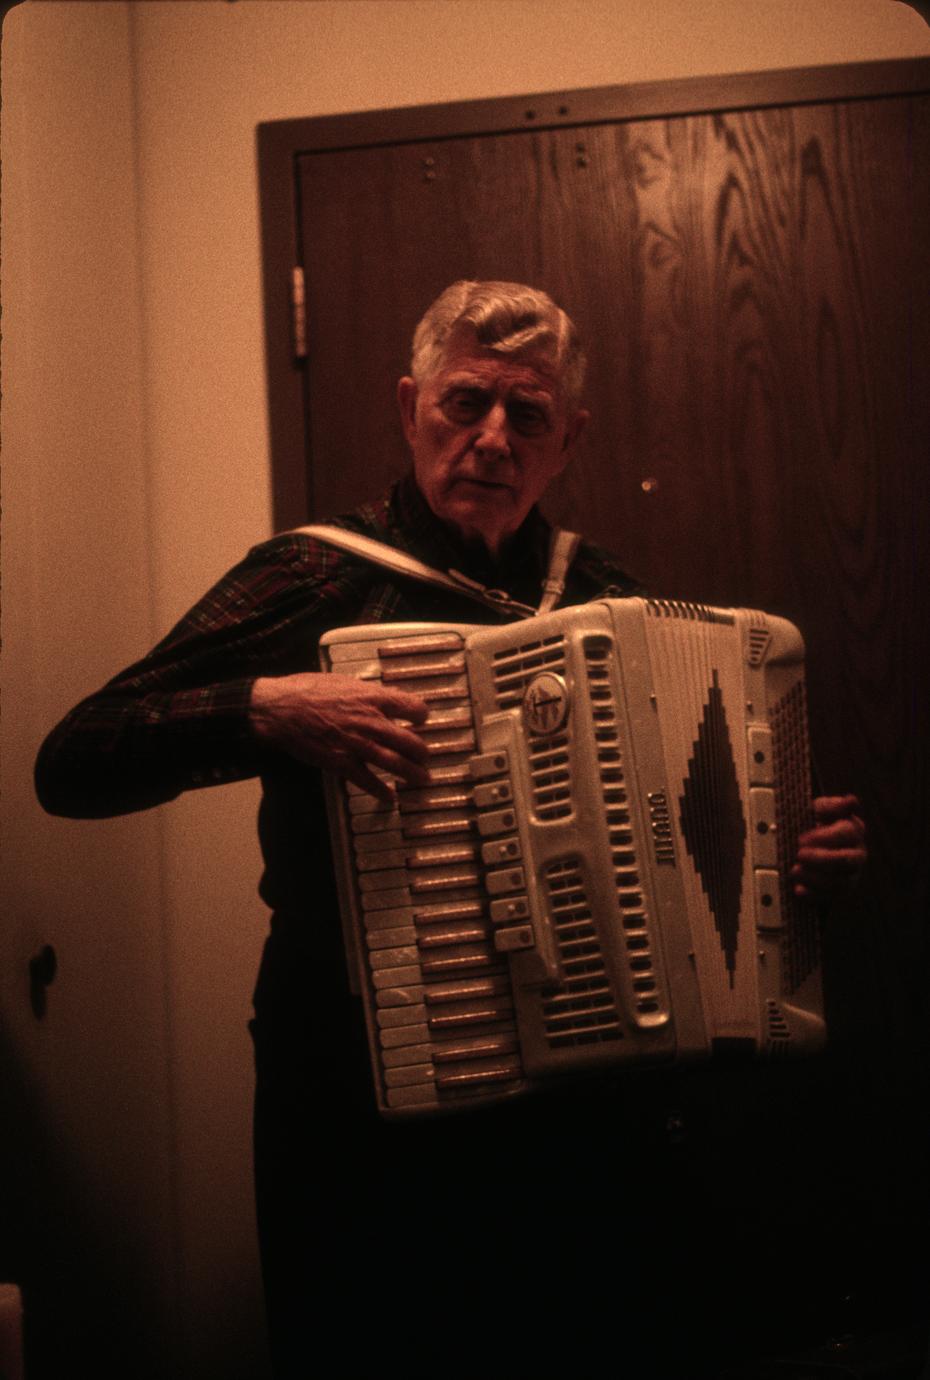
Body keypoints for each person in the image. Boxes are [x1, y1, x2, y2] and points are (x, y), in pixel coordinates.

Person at [36, 281, 866, 1378]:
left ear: (569, 440)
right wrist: (266, 706)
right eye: (465, 402)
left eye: (528, 414)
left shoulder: (607, 597)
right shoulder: (316, 575)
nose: (492, 438)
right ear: (409, 407)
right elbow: (75, 759)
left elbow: (700, 837)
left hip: (580, 1101)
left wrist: (793, 862)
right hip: (355, 1087)